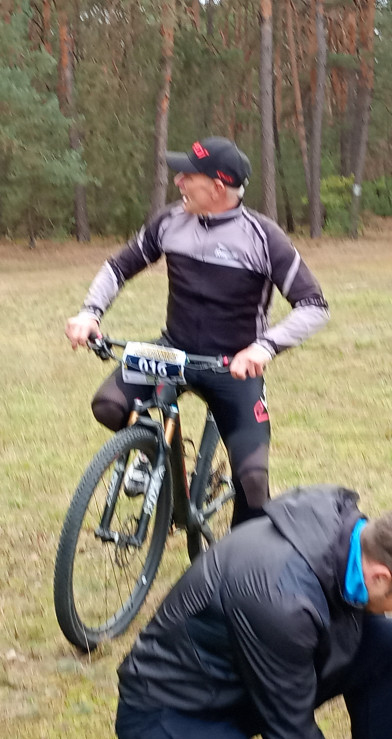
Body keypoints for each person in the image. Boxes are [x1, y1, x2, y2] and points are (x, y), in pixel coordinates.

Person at [65, 136, 329, 526]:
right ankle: (161, 462)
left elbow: (314, 306)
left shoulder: (263, 236)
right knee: (108, 405)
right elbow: (118, 267)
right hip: (172, 352)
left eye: (188, 175)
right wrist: (90, 313)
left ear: (218, 187)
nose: (179, 182)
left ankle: (237, 573)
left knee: (253, 484)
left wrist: (263, 348)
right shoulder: (171, 220)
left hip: (231, 367)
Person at [115, 484, 392, 739]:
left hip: (248, 683)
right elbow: (290, 730)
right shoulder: (283, 599)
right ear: (380, 576)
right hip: (173, 712)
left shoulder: (351, 539)